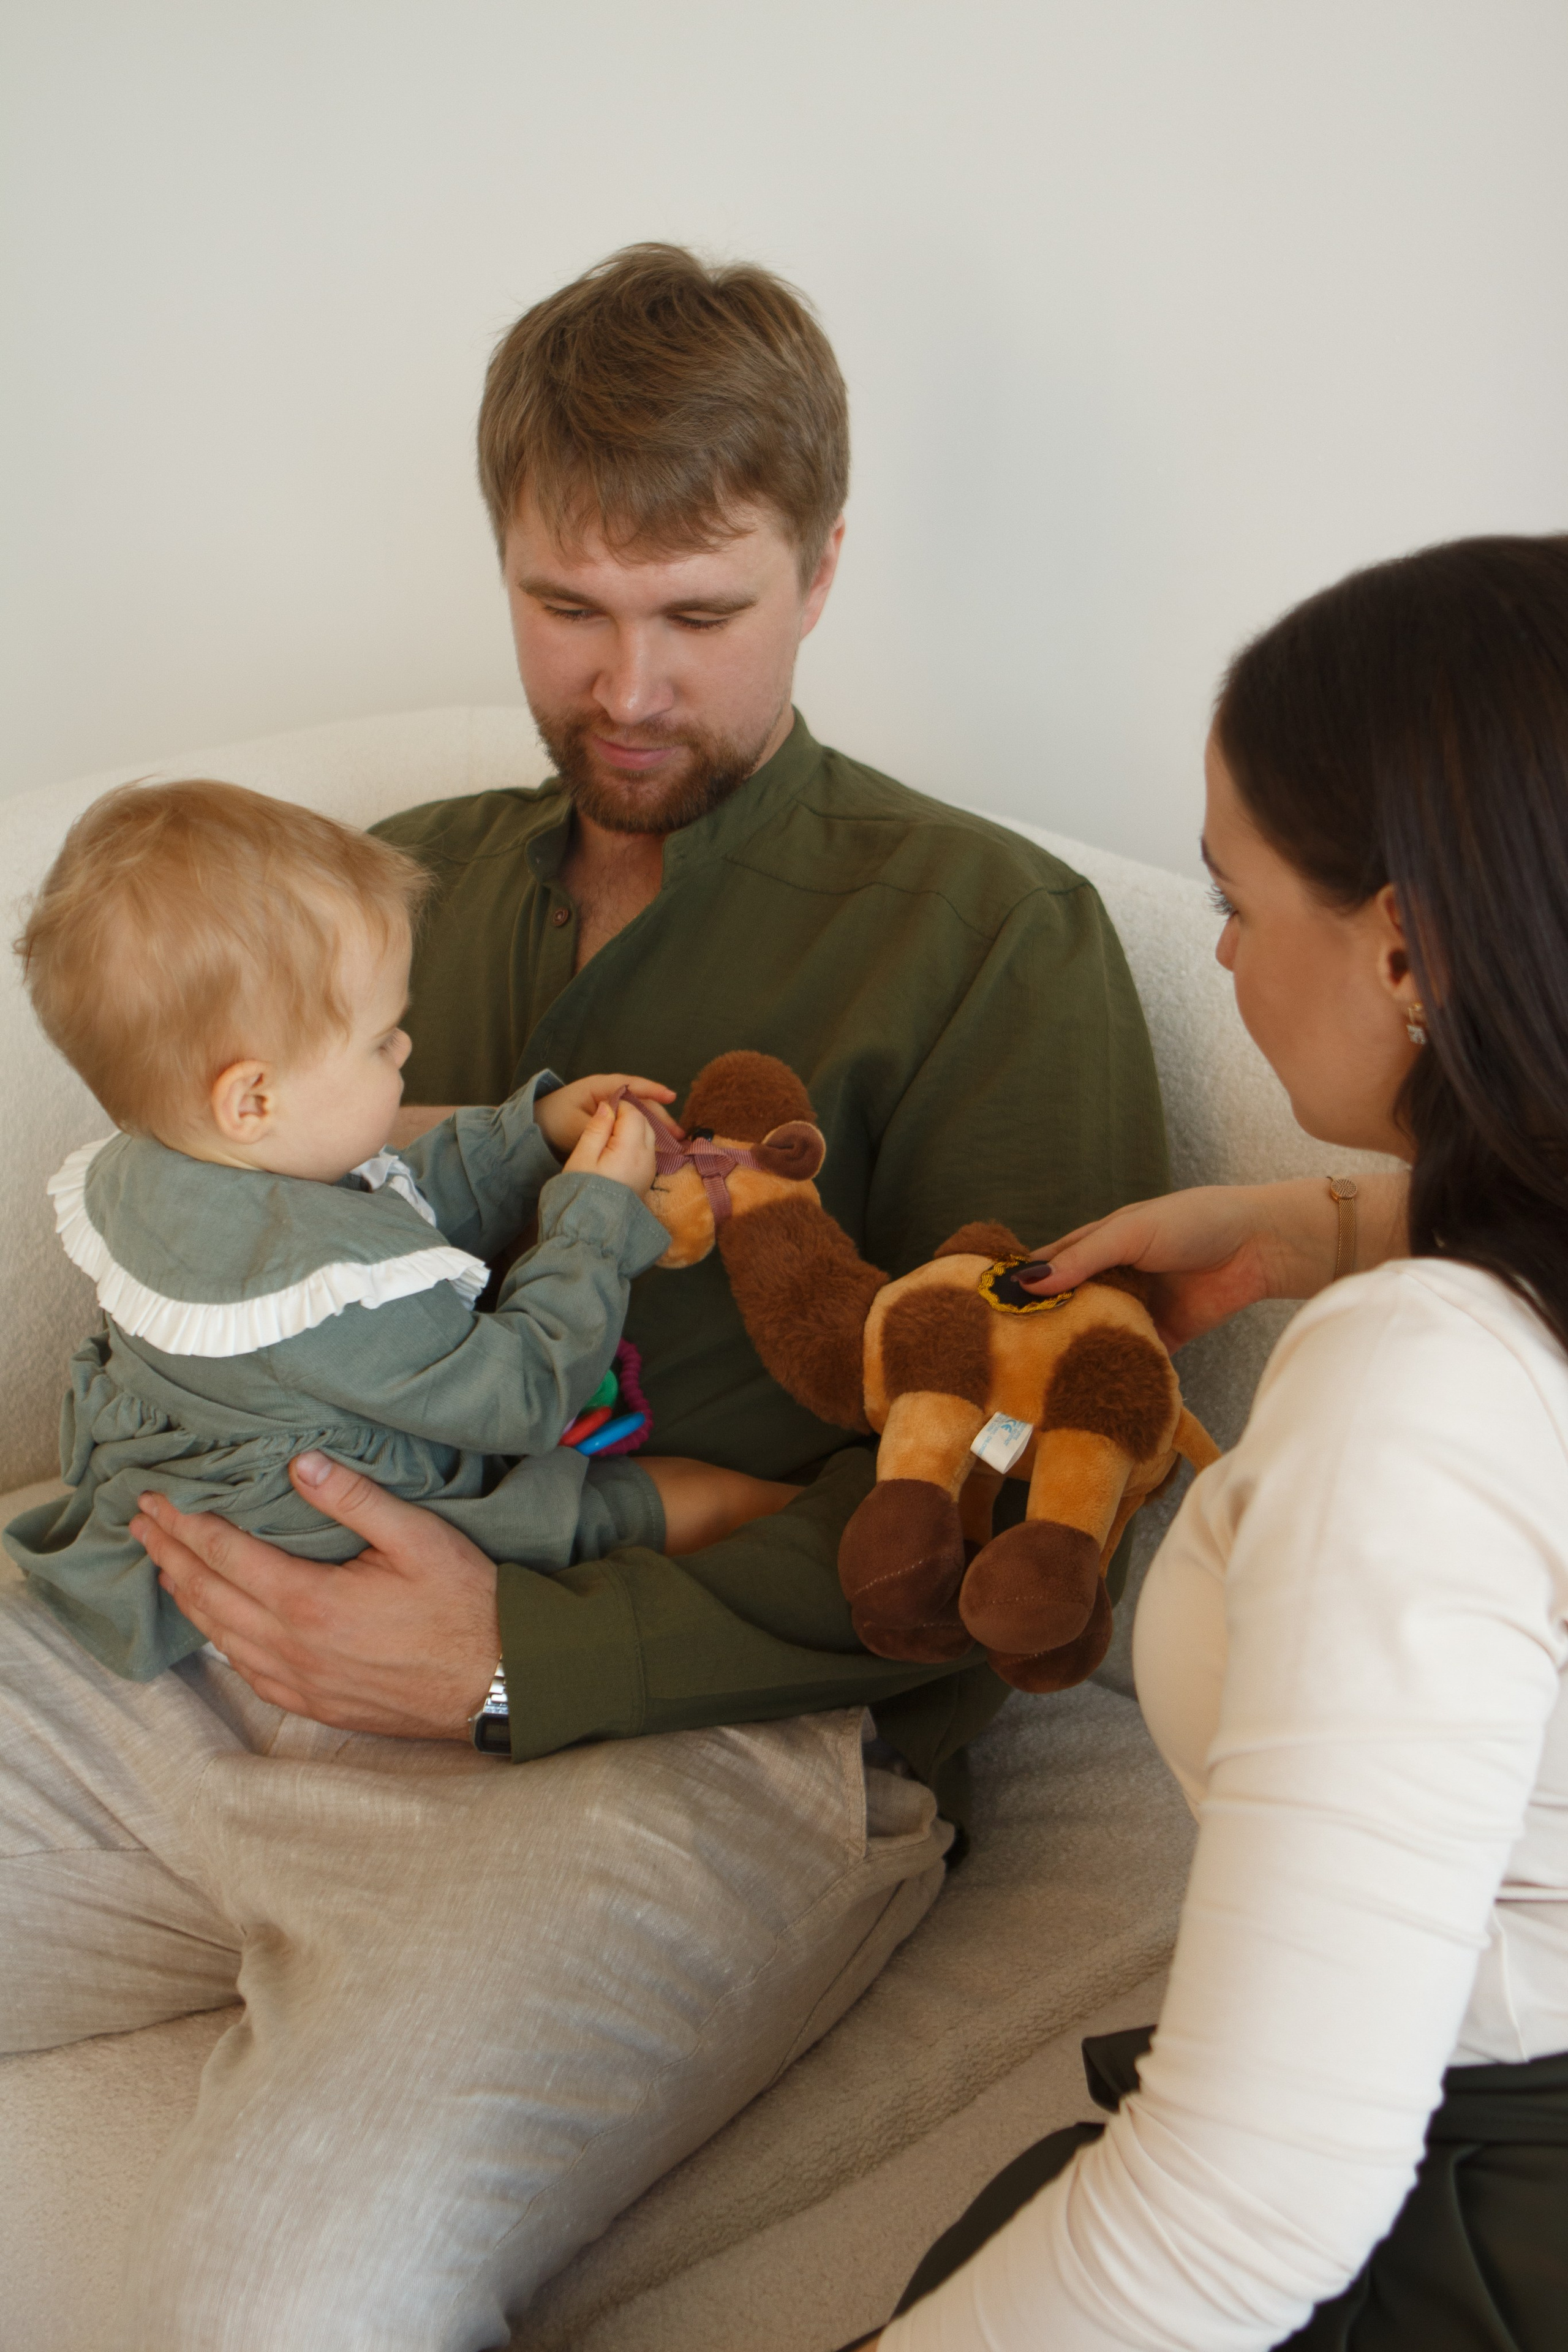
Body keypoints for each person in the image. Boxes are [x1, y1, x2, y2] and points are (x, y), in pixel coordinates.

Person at [0, 244, 1166, 2348]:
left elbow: (1016, 1476)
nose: (626, 689)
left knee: (278, 2300)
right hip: (186, 1644)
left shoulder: (992, 928)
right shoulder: (365, 893)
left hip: (685, 1744)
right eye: (567, 610)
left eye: (700, 618)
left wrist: (523, 1652)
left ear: (821, 570)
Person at [843, 534, 1568, 2352]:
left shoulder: (1421, 1393)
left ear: (1404, 944)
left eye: (1234, 902)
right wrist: (1313, 1225)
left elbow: (1241, 2216)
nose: (1223, 956)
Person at [6, 775, 797, 1680]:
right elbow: (525, 1395)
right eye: (381, 1039)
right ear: (253, 1098)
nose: (407, 1050)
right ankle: (818, 1520)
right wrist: (595, 1218)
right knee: (691, 1500)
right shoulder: (329, 1293)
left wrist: (529, 1138)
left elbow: (388, 1213)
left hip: (216, 1470)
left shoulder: (156, 1170)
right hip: (331, 1533)